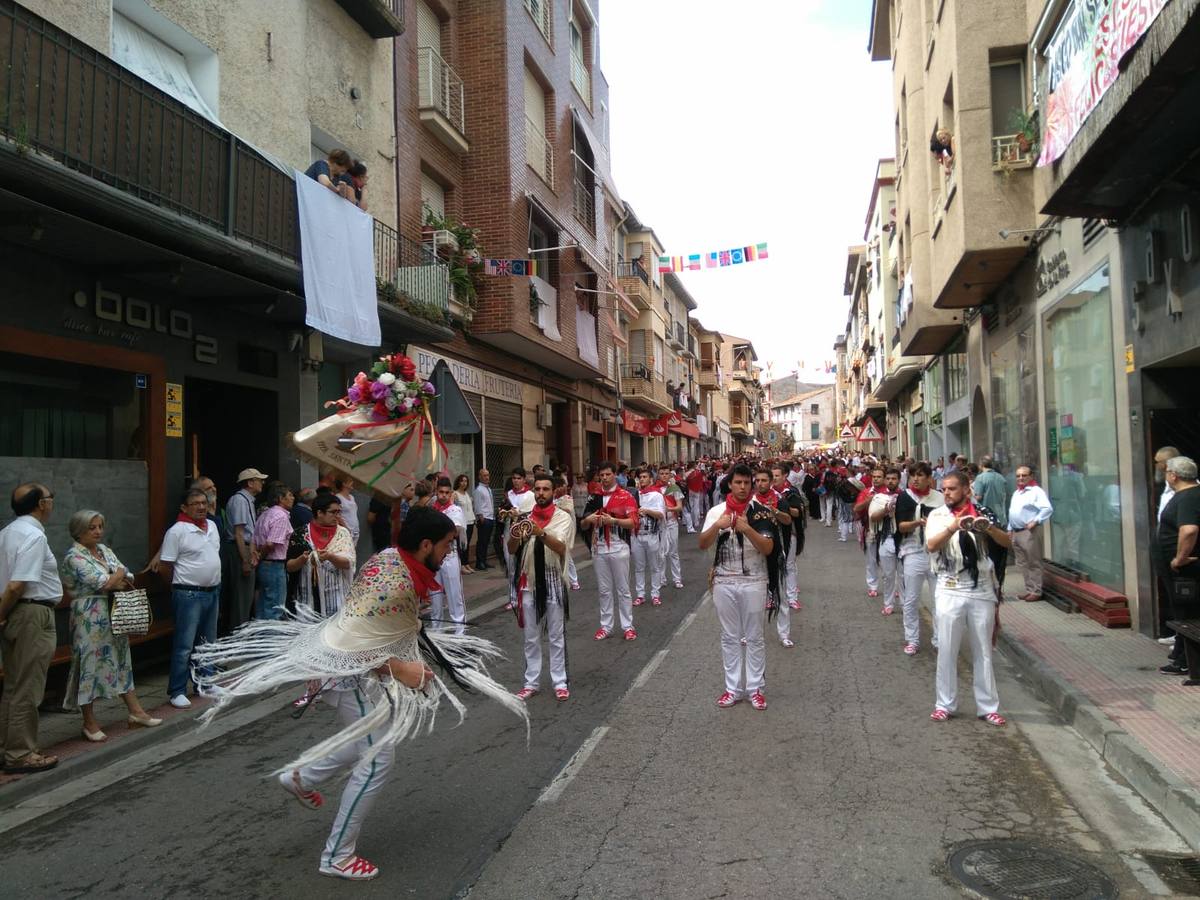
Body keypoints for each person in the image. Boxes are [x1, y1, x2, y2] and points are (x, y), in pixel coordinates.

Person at [191, 505, 526, 882]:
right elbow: (357, 647)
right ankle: (337, 854)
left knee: (365, 741)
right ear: (426, 544)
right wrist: (401, 668)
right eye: (448, 544)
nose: (452, 551)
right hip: (348, 674)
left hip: (346, 671)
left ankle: (300, 778)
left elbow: (380, 624)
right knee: (379, 758)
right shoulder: (395, 583)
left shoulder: (390, 559)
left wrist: (411, 625)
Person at [60, 510, 161, 741]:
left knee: (121, 657)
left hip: (113, 610)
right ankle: (89, 722)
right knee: (88, 663)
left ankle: (136, 712)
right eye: (91, 528)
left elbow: (129, 576)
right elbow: (103, 582)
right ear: (78, 531)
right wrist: (117, 575)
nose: (98, 532)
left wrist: (117, 577)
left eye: (99, 527)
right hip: (88, 616)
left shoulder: (105, 550)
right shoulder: (73, 557)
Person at [927, 470, 1011, 726]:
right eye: (944, 489)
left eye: (952, 489)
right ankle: (944, 703)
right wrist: (953, 526)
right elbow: (931, 545)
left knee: (983, 650)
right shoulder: (938, 514)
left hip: (981, 587)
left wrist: (986, 526)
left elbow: (1006, 542)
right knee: (947, 648)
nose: (947, 493)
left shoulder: (984, 512)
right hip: (950, 585)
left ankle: (988, 707)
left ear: (966, 489)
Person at [699, 464, 777, 710]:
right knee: (730, 637)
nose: (742, 487)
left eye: (746, 483)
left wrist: (747, 529)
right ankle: (732, 689)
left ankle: (755, 689)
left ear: (751, 485)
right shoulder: (716, 512)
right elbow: (702, 544)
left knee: (754, 636)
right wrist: (717, 526)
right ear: (730, 484)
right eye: (738, 483)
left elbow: (768, 548)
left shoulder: (762, 512)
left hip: (754, 579)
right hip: (723, 580)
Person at [0, 483, 61, 773]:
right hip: (32, 613)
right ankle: (21, 753)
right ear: (40, 504)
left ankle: (8, 748)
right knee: (28, 687)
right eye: (49, 499)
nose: (51, 503)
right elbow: (16, 585)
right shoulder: (33, 535)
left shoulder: (8, 532)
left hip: (16, 614)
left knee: (13, 686)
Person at [510, 473, 577, 701]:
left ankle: (559, 681)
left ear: (553, 492)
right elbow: (511, 549)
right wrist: (514, 530)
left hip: (552, 579)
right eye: (537, 489)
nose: (540, 493)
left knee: (556, 636)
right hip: (529, 581)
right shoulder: (526, 517)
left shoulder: (563, 518)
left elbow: (561, 548)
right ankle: (531, 682)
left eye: (545, 489)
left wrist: (540, 533)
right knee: (531, 636)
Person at [160, 488, 223, 709]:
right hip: (188, 593)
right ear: (184, 507)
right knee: (184, 645)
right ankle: (177, 690)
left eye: (204, 503)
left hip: (212, 591)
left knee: (208, 642)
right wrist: (179, 587)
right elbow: (165, 566)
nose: (201, 507)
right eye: (195, 503)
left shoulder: (213, 526)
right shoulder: (177, 531)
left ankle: (205, 682)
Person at [580, 461, 638, 641]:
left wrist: (614, 522)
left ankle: (628, 626)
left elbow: (634, 522)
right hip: (599, 549)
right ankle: (606, 626)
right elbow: (582, 524)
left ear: (614, 475)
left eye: (608, 475)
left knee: (623, 589)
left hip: (619, 546)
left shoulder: (625, 495)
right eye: (602, 475)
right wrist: (589, 519)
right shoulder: (593, 497)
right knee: (604, 590)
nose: (604, 478)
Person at [1155, 457, 1199, 677]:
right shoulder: (1186, 495)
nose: (1165, 475)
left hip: (1183, 571)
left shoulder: (1188, 497)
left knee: (1186, 613)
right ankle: (1181, 656)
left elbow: (1189, 530)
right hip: (1178, 570)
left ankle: (1186, 661)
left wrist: (1179, 558)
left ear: (1174, 475)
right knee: (1183, 612)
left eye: (1166, 471)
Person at [893, 462, 944, 655]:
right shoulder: (905, 497)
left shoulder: (939, 497)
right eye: (913, 474)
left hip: (936, 553)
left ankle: (939, 639)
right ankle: (912, 639)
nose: (916, 478)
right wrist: (918, 522)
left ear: (929, 478)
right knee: (911, 599)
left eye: (920, 475)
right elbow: (901, 527)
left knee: (939, 600)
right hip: (913, 551)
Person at [289, 493, 355, 617]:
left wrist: (331, 557)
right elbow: (289, 566)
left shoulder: (343, 534)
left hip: (337, 599)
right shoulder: (301, 534)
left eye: (339, 512)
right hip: (307, 600)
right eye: (333, 512)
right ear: (319, 513)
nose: (337, 516)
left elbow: (348, 563)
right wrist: (301, 560)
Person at [224, 468, 265, 625]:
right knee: (241, 599)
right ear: (250, 482)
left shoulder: (247, 500)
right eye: (258, 480)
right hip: (240, 549)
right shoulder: (240, 500)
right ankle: (238, 637)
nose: (262, 483)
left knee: (246, 598)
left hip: (247, 548)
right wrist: (246, 559)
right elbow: (239, 533)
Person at [1007, 466, 1053, 601]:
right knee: (1022, 563)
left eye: (1024, 475)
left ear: (1031, 476)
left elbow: (1047, 508)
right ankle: (1029, 589)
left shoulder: (1036, 491)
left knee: (1033, 562)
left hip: (1029, 532)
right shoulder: (1017, 492)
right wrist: (1010, 528)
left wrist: (1036, 520)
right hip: (1016, 532)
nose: (1020, 478)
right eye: (1018, 475)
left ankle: (1036, 591)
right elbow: (1013, 511)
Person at [429, 478, 467, 635]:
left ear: (450, 493)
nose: (443, 495)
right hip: (432, 558)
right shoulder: (431, 510)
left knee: (454, 596)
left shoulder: (455, 510)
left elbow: (455, 531)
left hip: (449, 557)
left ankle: (460, 633)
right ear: (436, 492)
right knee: (435, 597)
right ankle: (436, 632)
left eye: (446, 492)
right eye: (440, 492)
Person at [255, 483, 295, 621]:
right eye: (289, 495)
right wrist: (261, 557)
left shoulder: (265, 514)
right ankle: (270, 640)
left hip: (265, 565)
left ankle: (260, 639)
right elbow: (271, 543)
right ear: (280, 498)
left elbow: (256, 539)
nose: (293, 498)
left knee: (263, 605)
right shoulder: (281, 517)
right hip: (274, 565)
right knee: (275, 608)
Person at [868, 467, 902, 615]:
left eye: (893, 479)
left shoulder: (906, 496)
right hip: (886, 539)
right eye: (888, 478)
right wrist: (887, 509)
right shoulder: (879, 497)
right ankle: (888, 603)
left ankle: (905, 604)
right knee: (888, 575)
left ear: (899, 480)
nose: (890, 481)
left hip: (903, 541)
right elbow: (873, 517)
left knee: (903, 575)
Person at [972, 457, 1009, 588]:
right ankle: (999, 584)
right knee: (999, 554)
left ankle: (990, 583)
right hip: (1001, 517)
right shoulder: (1001, 477)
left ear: (981, 465)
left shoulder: (980, 478)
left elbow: (978, 496)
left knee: (987, 553)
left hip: (986, 519)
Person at [632, 469, 666, 607]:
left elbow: (661, 514)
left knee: (654, 567)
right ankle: (640, 594)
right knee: (639, 567)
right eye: (640, 477)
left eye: (645, 477)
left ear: (651, 479)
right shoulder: (635, 495)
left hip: (651, 535)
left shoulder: (656, 495)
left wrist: (646, 511)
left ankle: (655, 594)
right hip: (637, 535)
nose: (642, 479)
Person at [855, 467, 886, 598]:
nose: (876, 479)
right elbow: (856, 509)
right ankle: (872, 586)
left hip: (887, 531)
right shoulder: (866, 492)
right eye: (874, 477)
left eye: (879, 477)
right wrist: (868, 501)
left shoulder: (890, 492)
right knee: (871, 560)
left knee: (887, 561)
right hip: (870, 530)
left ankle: (891, 586)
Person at [553, 475, 582, 591]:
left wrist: (555, 507)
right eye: (559, 486)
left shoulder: (567, 498)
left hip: (566, 530)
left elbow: (568, 510)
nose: (561, 488)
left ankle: (574, 580)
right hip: (555, 530)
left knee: (566, 555)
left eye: (562, 486)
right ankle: (562, 579)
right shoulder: (552, 499)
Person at [662, 475, 684, 590]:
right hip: (660, 525)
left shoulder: (674, 488)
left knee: (673, 552)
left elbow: (679, 507)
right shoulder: (655, 489)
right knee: (661, 553)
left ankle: (677, 579)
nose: (664, 476)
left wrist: (668, 509)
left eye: (666, 473)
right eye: (661, 473)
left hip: (672, 523)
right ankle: (662, 579)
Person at [473, 468, 495, 570]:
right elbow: (477, 505)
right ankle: (479, 562)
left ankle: (484, 561)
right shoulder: (478, 490)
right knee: (482, 541)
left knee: (486, 541)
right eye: (484, 475)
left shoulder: (488, 489)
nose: (487, 477)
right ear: (480, 477)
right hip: (484, 519)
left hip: (490, 518)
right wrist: (480, 517)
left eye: (488, 475)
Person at [453, 474, 476, 573]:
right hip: (462, 523)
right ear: (458, 482)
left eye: (466, 481)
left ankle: (466, 563)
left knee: (467, 543)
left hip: (470, 521)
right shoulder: (455, 494)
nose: (464, 483)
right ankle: (462, 565)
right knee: (462, 544)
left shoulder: (466, 494)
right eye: (462, 481)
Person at [334, 475, 361, 548]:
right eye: (350, 482)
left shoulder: (352, 497)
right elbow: (337, 515)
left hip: (355, 530)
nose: (352, 483)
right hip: (346, 530)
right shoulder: (338, 497)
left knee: (353, 552)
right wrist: (346, 528)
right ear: (344, 484)